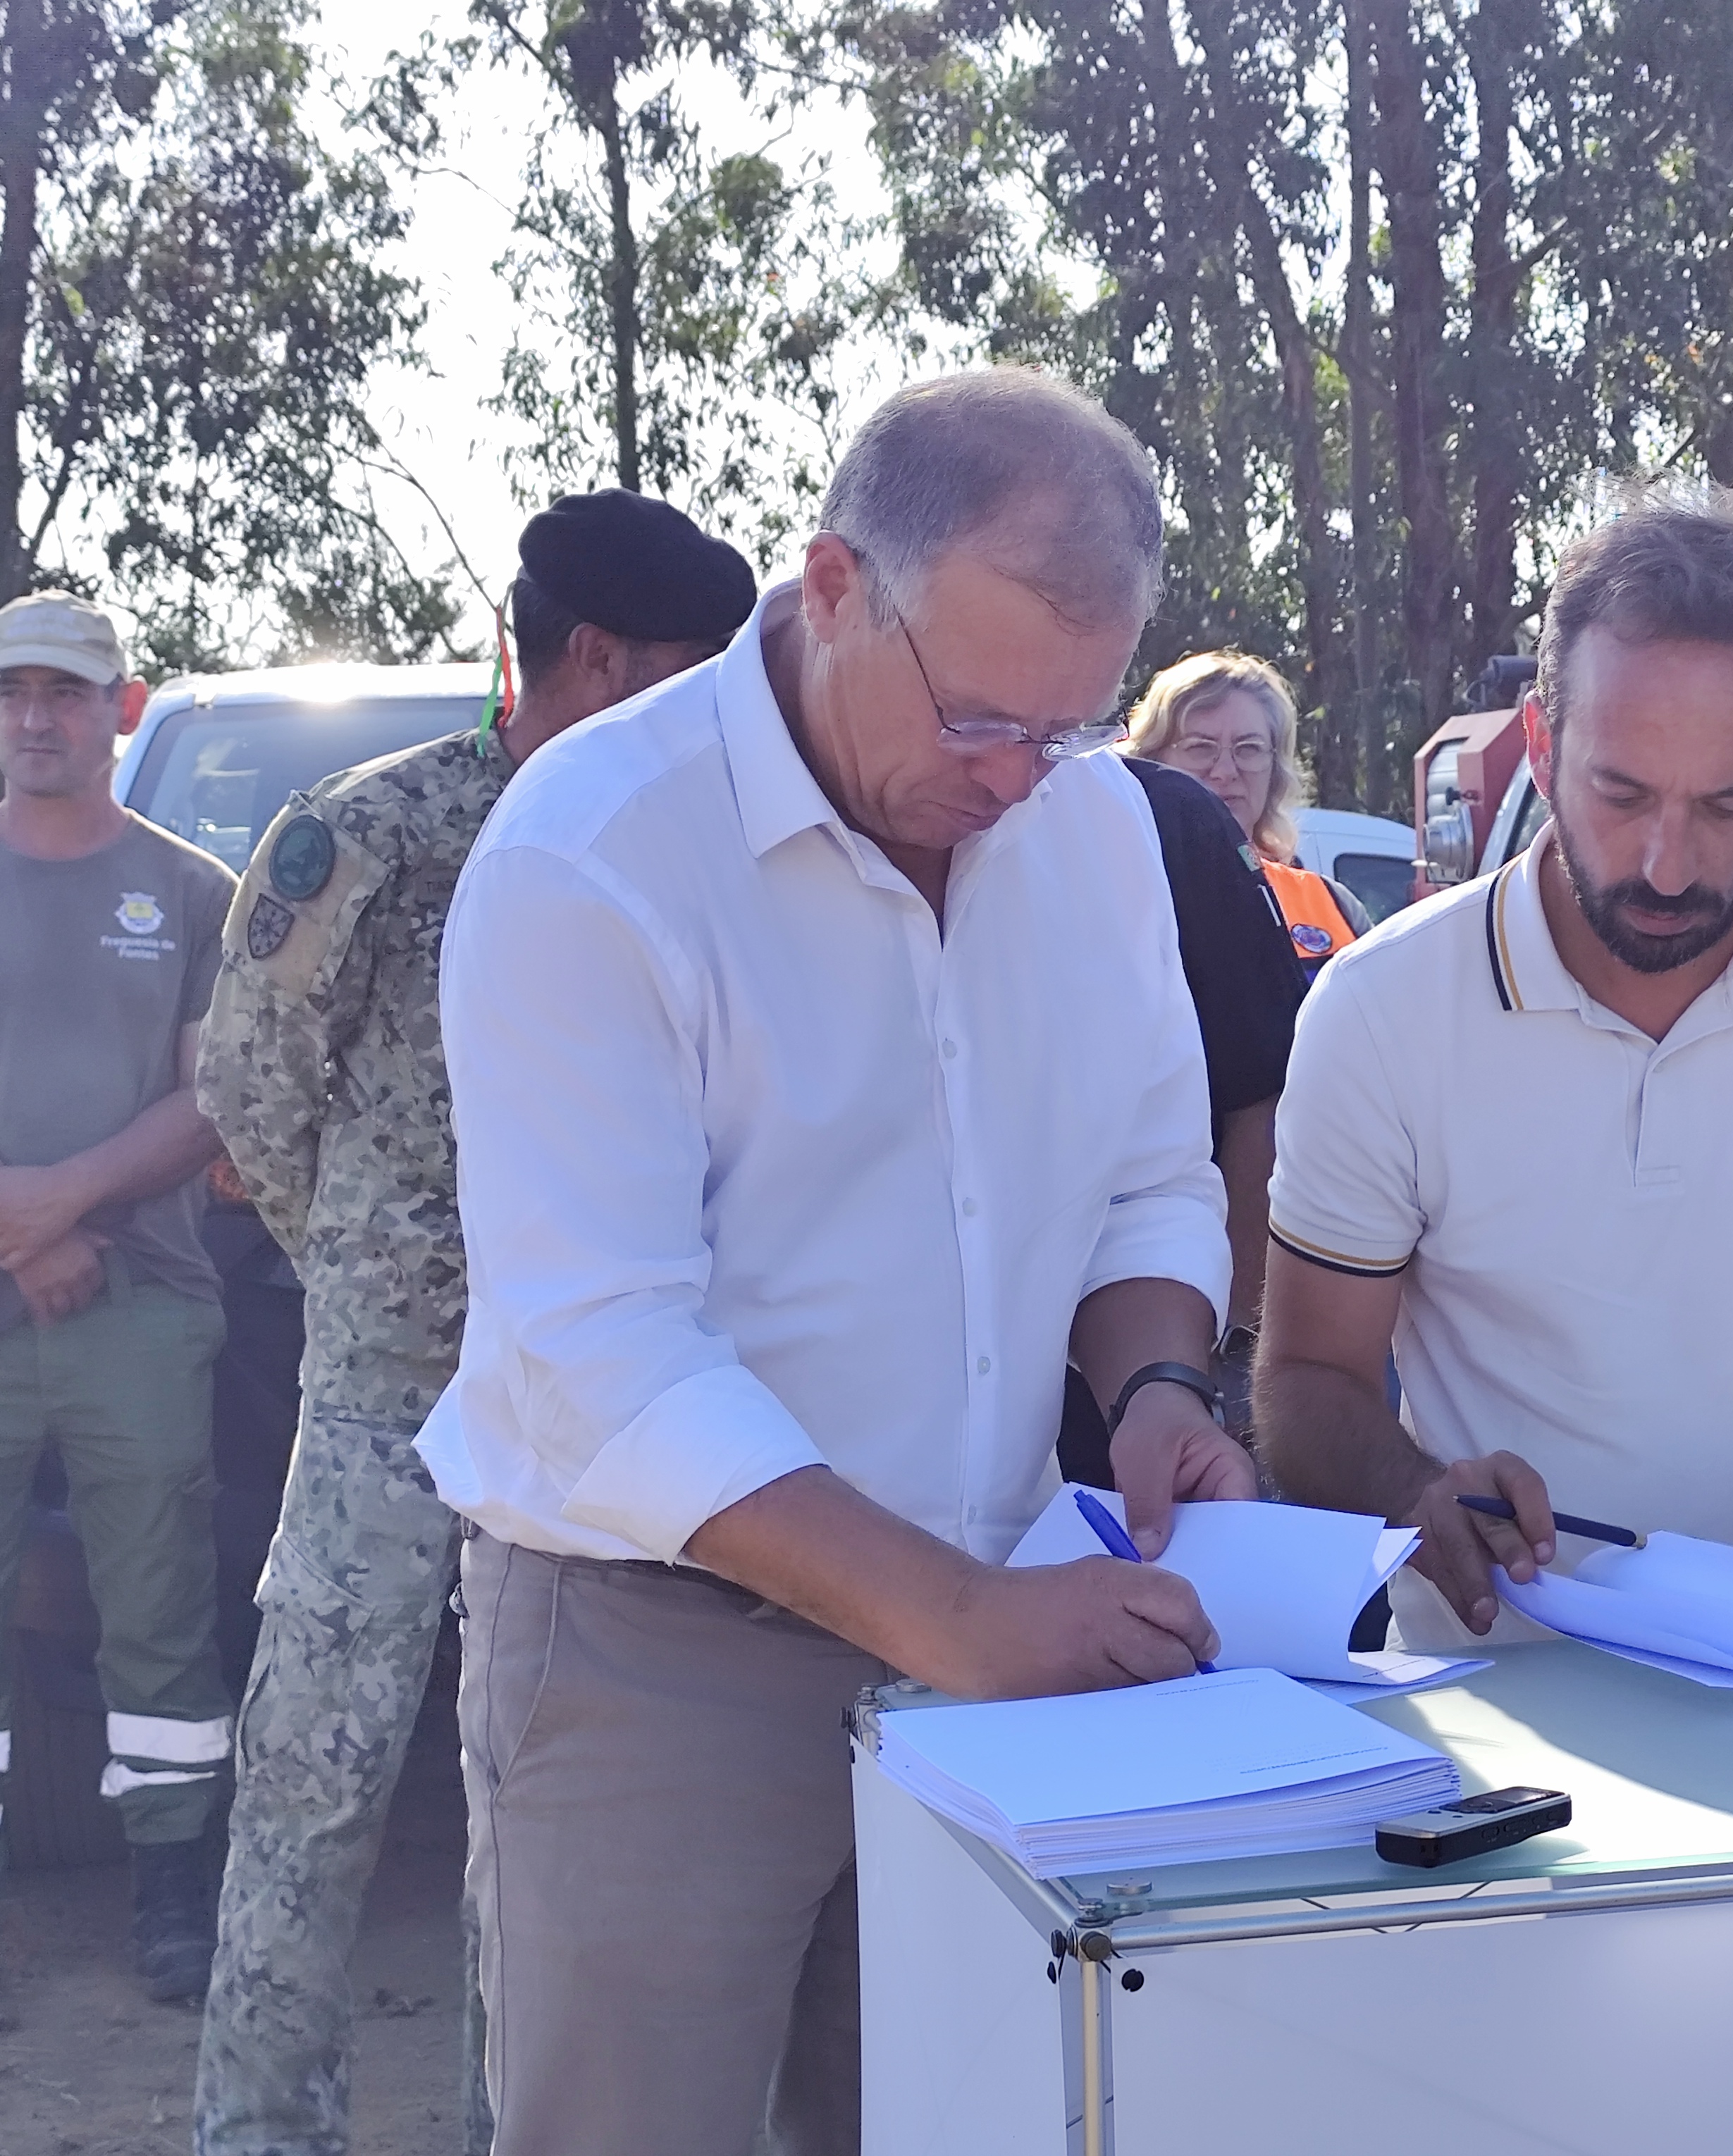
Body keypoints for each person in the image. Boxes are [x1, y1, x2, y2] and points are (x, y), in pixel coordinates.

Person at [416, 368, 1252, 2155]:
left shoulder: (1094, 829)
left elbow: (1145, 1179)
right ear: (834, 585)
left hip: (1005, 1615)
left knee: (957, 2122)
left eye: (1069, 729)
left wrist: (1160, 1385)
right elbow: (604, 1358)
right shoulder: (591, 851)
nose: (1015, 780)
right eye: (979, 719)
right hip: (660, 1658)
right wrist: (959, 1621)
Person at [192, 490, 757, 2156]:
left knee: (544, 1814)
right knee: (312, 1787)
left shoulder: (683, 849)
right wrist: (359, 1257)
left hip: (592, 1410)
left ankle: (512, 2124)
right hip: (390, 1396)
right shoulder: (375, 831)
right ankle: (260, 2129)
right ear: (597, 657)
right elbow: (249, 1078)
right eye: (691, 667)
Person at [1254, 494, 1733, 1651]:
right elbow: (1309, 1377)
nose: (1669, 865)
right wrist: (1412, 1491)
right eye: (1621, 794)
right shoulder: (1381, 1005)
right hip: (1490, 1696)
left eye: (1727, 805)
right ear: (1543, 741)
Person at [0, 590, 237, 2000]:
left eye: (66, 693)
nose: (35, 718)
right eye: (13, 692)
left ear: (121, 709)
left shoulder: (195, 893)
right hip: (31, 1268)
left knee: (159, 1602)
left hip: (139, 1299)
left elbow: (213, 1099)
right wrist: (25, 1233)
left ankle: (172, 1894)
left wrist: (68, 1200)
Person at [1057, 755, 1306, 1473]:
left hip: (1140, 1356)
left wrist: (1222, 1358)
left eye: (1248, 747)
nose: (1007, 774)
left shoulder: (1158, 822)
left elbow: (1258, 1102)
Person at [1128, 650, 1373, 980]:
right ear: (1151, 761)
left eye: (1249, 748)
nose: (1226, 771)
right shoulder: (1115, 902)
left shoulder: (1332, 907)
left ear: (1276, 769)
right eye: (1200, 747)